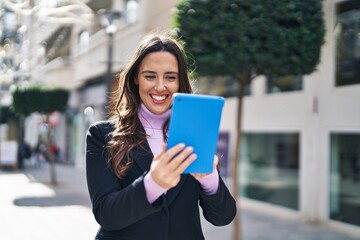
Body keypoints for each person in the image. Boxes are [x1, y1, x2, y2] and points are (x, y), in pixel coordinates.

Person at [85, 31, 237, 240]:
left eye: (170, 77)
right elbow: (106, 214)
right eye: (150, 76)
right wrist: (153, 183)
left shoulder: (195, 132)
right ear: (136, 78)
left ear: (180, 81)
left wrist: (210, 179)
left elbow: (223, 217)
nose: (160, 86)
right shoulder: (101, 135)